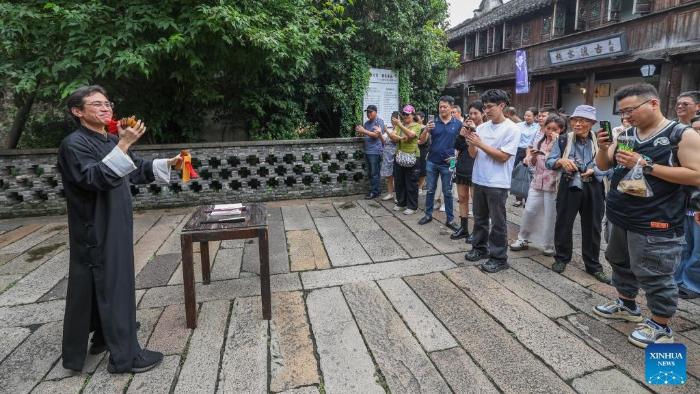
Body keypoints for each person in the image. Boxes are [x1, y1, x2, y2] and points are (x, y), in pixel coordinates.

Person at [58, 85, 181, 374]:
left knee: (103, 280)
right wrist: (123, 144)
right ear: (78, 112)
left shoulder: (105, 138)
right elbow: (92, 178)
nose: (106, 108)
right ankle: (125, 358)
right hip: (96, 225)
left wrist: (168, 163)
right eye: (97, 104)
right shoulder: (73, 144)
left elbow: (135, 169)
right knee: (114, 283)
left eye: (107, 103)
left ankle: (103, 336)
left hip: (115, 221)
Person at [593, 83, 700, 347]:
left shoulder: (681, 135)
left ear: (653, 103)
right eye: (622, 112)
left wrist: (647, 165)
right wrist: (603, 147)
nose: (626, 116)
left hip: (657, 218)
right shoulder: (626, 133)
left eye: (630, 110)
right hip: (620, 212)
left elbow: (696, 174)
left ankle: (661, 325)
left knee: (655, 271)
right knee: (619, 260)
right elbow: (603, 165)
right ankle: (627, 304)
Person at [545, 105, 610, 283]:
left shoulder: (601, 140)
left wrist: (595, 171)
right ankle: (561, 258)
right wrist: (561, 161)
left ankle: (593, 265)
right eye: (574, 120)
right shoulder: (564, 139)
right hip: (569, 183)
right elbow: (549, 162)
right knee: (563, 223)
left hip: (594, 186)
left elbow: (611, 166)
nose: (577, 123)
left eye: (583, 120)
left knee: (593, 226)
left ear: (592, 123)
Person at [464, 89, 521, 273]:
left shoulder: (512, 128)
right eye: (485, 107)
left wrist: (480, 144)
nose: (486, 111)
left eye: (489, 107)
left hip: (498, 182)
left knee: (498, 222)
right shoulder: (481, 127)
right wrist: (470, 141)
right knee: (479, 218)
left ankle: (499, 257)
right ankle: (479, 248)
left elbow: (503, 157)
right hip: (479, 178)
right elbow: (473, 154)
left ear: (502, 106)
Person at [510, 115, 565, 256]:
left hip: (553, 183)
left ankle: (548, 244)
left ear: (561, 129)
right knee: (529, 210)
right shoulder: (540, 140)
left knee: (550, 215)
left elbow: (561, 162)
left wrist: (554, 144)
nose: (550, 131)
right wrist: (533, 157)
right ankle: (523, 238)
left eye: (554, 129)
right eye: (548, 128)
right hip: (537, 181)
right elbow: (534, 162)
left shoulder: (563, 143)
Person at [417, 95, 461, 229]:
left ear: (451, 107)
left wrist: (456, 159)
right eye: (440, 106)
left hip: (450, 162)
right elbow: (422, 141)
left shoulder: (458, 124)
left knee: (448, 191)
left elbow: (461, 145)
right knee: (430, 190)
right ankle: (428, 214)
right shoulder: (433, 122)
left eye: (445, 107)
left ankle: (450, 219)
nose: (442, 109)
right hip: (432, 161)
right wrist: (425, 130)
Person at [451, 101, 484, 241]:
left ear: (482, 113)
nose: (472, 116)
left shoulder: (484, 128)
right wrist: (461, 135)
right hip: (462, 166)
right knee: (462, 198)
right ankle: (463, 228)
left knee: (475, 202)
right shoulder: (464, 126)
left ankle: (476, 231)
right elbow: (457, 146)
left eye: (476, 113)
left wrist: (474, 130)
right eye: (470, 113)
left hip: (476, 167)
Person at [676, 114, 700, 299]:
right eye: (695, 130)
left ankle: (692, 285)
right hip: (685, 205)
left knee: (698, 250)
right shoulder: (686, 150)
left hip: (697, 207)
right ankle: (677, 279)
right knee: (683, 247)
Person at [389, 105, 422, 214]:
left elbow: (411, 135)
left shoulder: (417, 125)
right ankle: (401, 203)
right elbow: (392, 136)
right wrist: (402, 137)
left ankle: (412, 206)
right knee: (399, 181)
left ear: (413, 115)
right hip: (399, 156)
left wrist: (400, 127)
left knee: (411, 182)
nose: (405, 116)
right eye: (404, 114)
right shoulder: (401, 125)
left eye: (407, 114)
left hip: (412, 157)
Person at [355, 105, 384, 199]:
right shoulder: (367, 123)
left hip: (375, 151)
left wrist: (364, 131)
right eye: (367, 112)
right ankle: (376, 190)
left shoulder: (379, 121)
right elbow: (364, 132)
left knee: (374, 173)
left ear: (376, 112)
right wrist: (359, 131)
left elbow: (376, 135)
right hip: (367, 151)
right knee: (370, 172)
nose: (368, 114)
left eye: (370, 112)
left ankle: (374, 192)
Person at [512, 107, 540, 207]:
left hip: (532, 152)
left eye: (529, 116)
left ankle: (528, 198)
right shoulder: (518, 125)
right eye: (525, 115)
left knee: (530, 175)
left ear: (535, 117)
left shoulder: (538, 127)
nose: (526, 117)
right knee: (518, 173)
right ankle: (518, 198)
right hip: (519, 151)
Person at [380, 111, 399, 201]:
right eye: (392, 119)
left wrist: (386, 130)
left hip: (395, 155)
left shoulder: (400, 129)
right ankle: (390, 193)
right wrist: (380, 133)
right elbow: (384, 141)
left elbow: (394, 139)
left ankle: (398, 196)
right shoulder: (391, 129)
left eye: (395, 119)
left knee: (396, 175)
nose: (393, 121)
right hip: (387, 155)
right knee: (389, 176)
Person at [415, 111, 429, 193]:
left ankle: (420, 187)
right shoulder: (414, 126)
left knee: (422, 169)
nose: (416, 119)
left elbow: (423, 141)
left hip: (423, 150)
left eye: (418, 117)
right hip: (414, 150)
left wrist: (411, 140)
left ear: (423, 118)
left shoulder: (425, 128)